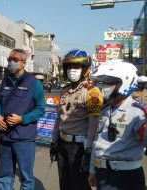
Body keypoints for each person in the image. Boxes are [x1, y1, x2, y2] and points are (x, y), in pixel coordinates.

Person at [88, 61, 147, 190]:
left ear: (125, 82)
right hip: (102, 174)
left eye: (109, 82)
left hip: (125, 176)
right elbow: (97, 142)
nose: (103, 86)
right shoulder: (105, 110)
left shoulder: (138, 112)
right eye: (103, 82)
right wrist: (93, 170)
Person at [50, 49, 103, 190]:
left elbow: (94, 123)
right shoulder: (64, 90)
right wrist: (53, 141)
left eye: (76, 67)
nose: (71, 70)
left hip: (79, 147)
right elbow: (58, 118)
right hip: (62, 144)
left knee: (79, 185)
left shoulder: (92, 92)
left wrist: (89, 150)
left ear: (85, 69)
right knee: (64, 184)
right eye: (68, 67)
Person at [0, 48, 45, 190]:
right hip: (4, 136)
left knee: (26, 178)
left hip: (24, 139)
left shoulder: (33, 83)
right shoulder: (5, 81)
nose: (11, 62)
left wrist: (22, 119)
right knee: (5, 175)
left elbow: (41, 109)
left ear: (23, 63)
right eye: (9, 59)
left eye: (15, 60)